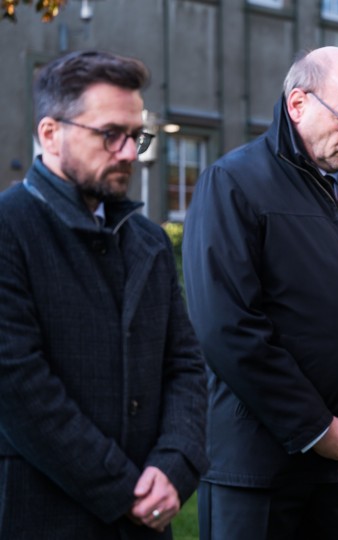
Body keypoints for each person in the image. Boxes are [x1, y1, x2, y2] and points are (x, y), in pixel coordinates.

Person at [182, 46, 338, 540]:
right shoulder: (232, 183)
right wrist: (317, 428)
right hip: (256, 468)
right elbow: (228, 328)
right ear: (298, 104)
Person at [0, 50, 208, 539]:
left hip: (148, 519)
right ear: (50, 133)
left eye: (136, 135)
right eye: (110, 134)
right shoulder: (10, 229)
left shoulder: (148, 241)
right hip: (41, 516)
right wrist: (125, 488)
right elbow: (19, 387)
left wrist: (175, 465)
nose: (130, 152)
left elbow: (185, 366)